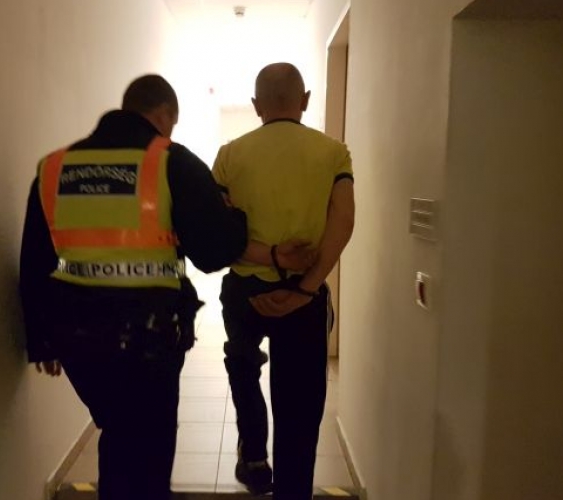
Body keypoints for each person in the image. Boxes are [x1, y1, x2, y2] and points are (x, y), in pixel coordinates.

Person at [19, 74, 250, 500]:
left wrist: (41, 340)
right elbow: (214, 252)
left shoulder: (54, 167)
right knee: (148, 449)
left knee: (119, 433)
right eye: (171, 123)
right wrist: (235, 218)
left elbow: (34, 260)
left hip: (77, 337)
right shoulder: (171, 161)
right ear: (164, 114)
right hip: (147, 338)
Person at [212, 62, 355, 500]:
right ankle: (292, 491)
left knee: (242, 366)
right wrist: (305, 288)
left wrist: (267, 256)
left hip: (245, 291)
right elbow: (343, 222)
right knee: (299, 408)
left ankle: (254, 457)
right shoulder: (334, 153)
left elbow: (219, 234)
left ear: (256, 105)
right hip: (304, 295)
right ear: (305, 100)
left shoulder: (229, 155)